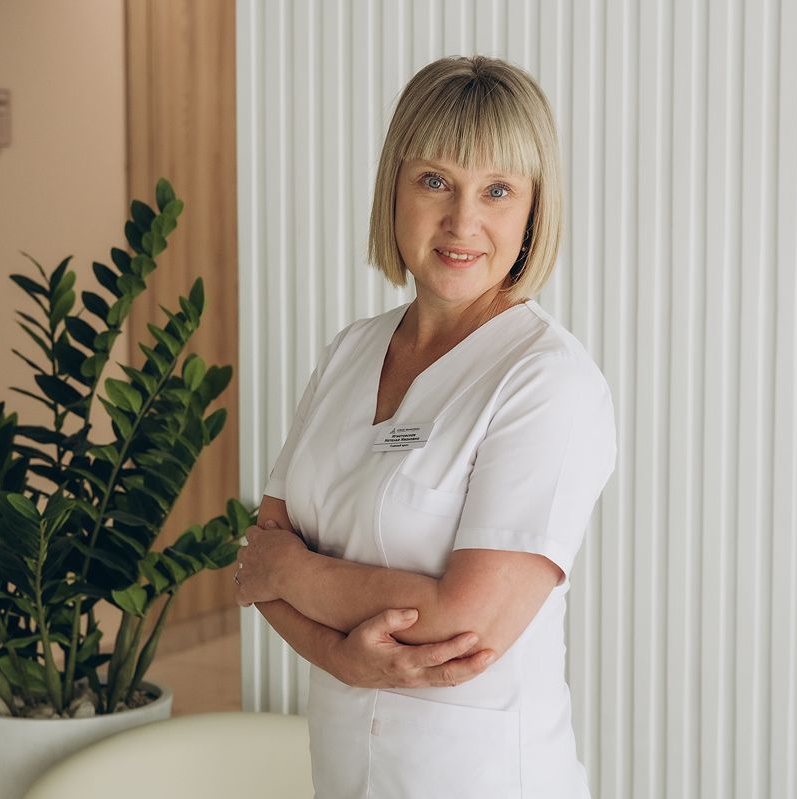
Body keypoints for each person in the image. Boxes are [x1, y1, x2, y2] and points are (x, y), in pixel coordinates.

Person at [234, 55, 617, 799]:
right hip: (345, 772)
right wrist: (342, 658)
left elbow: (465, 621)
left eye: (497, 190)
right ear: (396, 188)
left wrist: (296, 573)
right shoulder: (350, 351)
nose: (462, 221)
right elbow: (257, 562)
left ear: (534, 211)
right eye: (435, 181)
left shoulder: (548, 381)